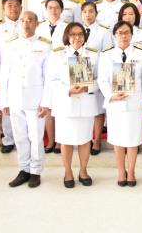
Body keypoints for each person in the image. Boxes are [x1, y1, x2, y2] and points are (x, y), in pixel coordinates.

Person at [0, 11, 51, 188]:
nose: (25, 23)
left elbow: (48, 77)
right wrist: (4, 101)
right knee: (20, 136)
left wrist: (46, 102)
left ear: (37, 24)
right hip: (15, 98)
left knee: (36, 137)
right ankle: (24, 169)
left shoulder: (45, 45)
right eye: (22, 20)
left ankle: (35, 171)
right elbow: (4, 74)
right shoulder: (10, 44)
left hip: (35, 100)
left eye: (30, 20)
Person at [98, 21, 142, 187]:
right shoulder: (106, 55)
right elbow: (102, 80)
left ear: (131, 35)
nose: (123, 36)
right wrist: (111, 95)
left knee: (133, 139)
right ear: (114, 35)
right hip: (115, 104)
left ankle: (132, 171)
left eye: (126, 32)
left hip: (135, 103)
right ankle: (121, 171)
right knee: (118, 139)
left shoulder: (141, 54)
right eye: (120, 32)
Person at [45, 23, 99, 188]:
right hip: (65, 105)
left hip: (86, 103)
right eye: (73, 34)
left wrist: (87, 86)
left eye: (80, 34)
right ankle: (68, 172)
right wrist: (67, 90)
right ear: (67, 36)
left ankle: (83, 171)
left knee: (84, 140)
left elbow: (100, 80)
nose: (77, 38)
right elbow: (51, 81)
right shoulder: (57, 55)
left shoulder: (93, 54)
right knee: (66, 140)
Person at [80, 1, 113, 155]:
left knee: (98, 108)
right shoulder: (75, 29)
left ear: (96, 13)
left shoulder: (104, 31)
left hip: (98, 73)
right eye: (85, 12)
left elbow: (107, 53)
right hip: (79, 73)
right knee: (85, 107)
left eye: (91, 11)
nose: (88, 14)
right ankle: (86, 138)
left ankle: (98, 139)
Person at [37, 0, 68, 154]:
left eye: (56, 8)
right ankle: (51, 140)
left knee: (59, 107)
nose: (53, 11)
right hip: (42, 72)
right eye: (50, 7)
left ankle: (60, 142)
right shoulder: (38, 27)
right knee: (47, 107)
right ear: (46, 9)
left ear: (62, 10)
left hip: (60, 71)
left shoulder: (68, 27)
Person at [0, 0, 22, 153]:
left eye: (17, 5)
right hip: (6, 74)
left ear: (21, 8)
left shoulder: (28, 23)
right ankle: (9, 140)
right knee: (7, 107)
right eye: (10, 5)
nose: (13, 8)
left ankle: (23, 139)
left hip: (24, 74)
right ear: (3, 9)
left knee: (24, 105)